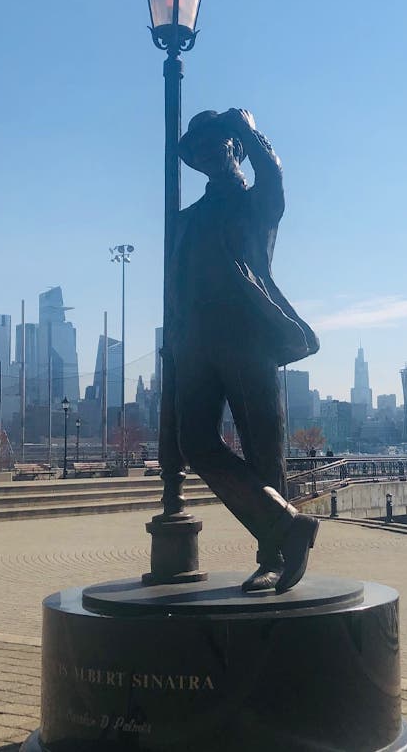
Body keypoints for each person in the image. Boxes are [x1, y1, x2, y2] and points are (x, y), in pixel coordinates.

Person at [171, 108, 320, 594]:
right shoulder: (186, 219)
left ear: (233, 146)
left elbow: (273, 173)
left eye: (217, 142)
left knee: (263, 449)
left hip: (247, 335)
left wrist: (249, 130)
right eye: (198, 149)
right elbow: (176, 284)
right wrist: (175, 342)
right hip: (196, 340)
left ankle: (273, 556)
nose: (207, 153)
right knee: (194, 442)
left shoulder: (257, 202)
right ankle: (288, 525)